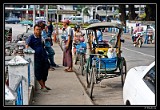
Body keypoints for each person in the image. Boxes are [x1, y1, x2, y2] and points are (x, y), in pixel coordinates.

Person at [25, 24, 51, 92]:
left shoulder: (41, 37)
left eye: (39, 30)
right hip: (36, 58)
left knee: (45, 70)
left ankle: (44, 85)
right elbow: (27, 46)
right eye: (37, 30)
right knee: (38, 72)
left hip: (44, 56)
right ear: (34, 30)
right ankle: (42, 86)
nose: (38, 31)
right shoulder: (31, 37)